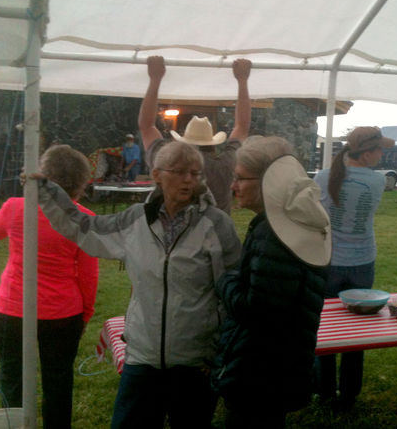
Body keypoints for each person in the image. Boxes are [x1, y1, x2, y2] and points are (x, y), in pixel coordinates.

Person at [32, 141, 242, 428]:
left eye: (195, 173)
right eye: (179, 172)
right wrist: (47, 190)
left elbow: (232, 293)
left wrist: (217, 353)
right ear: (157, 175)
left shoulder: (217, 225)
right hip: (143, 357)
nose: (189, 180)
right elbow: (84, 228)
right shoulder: (134, 221)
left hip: (196, 363)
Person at [211, 137, 330, 428]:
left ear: (267, 183)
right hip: (282, 364)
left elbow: (256, 312)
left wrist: (225, 279)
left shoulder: (274, 234)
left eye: (240, 178)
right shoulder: (296, 221)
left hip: (259, 372)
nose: (232, 186)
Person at [0, 144, 99, 429]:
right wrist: (85, 314)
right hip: (63, 314)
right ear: (80, 182)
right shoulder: (84, 219)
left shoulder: (15, 207)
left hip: (13, 309)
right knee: (58, 381)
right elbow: (88, 276)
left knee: (12, 380)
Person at [313, 126, 394, 409]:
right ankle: (348, 395)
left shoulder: (323, 177)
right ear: (368, 152)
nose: (382, 154)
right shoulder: (376, 181)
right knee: (357, 330)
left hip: (328, 261)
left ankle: (324, 391)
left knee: (325, 328)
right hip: (361, 262)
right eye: (380, 149)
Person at [138, 55, 252, 214]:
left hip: (170, 237)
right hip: (215, 235)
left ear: (184, 140)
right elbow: (242, 127)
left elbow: (147, 126)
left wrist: (155, 79)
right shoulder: (226, 164)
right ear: (212, 142)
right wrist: (242, 81)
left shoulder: (167, 164)